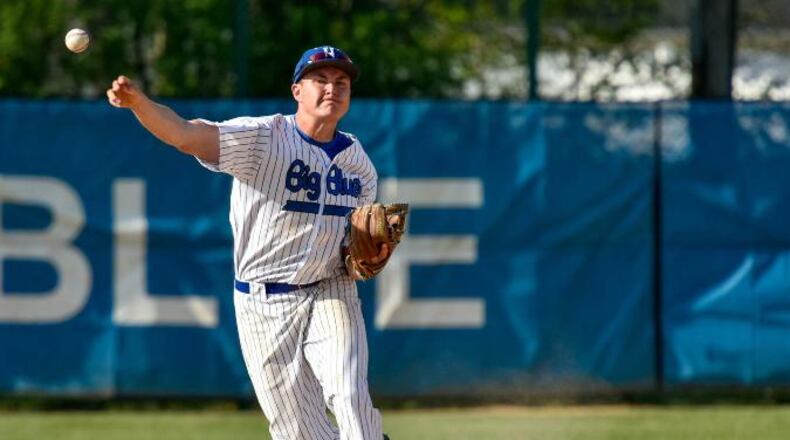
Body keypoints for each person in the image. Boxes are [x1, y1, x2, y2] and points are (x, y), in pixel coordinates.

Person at [107, 45, 388, 440]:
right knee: (299, 431)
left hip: (330, 289)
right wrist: (139, 103)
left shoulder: (359, 163)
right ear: (297, 92)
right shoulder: (263, 140)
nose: (332, 89)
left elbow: (355, 244)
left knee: (349, 395)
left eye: (341, 82)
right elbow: (185, 135)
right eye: (320, 80)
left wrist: (367, 252)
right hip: (263, 301)